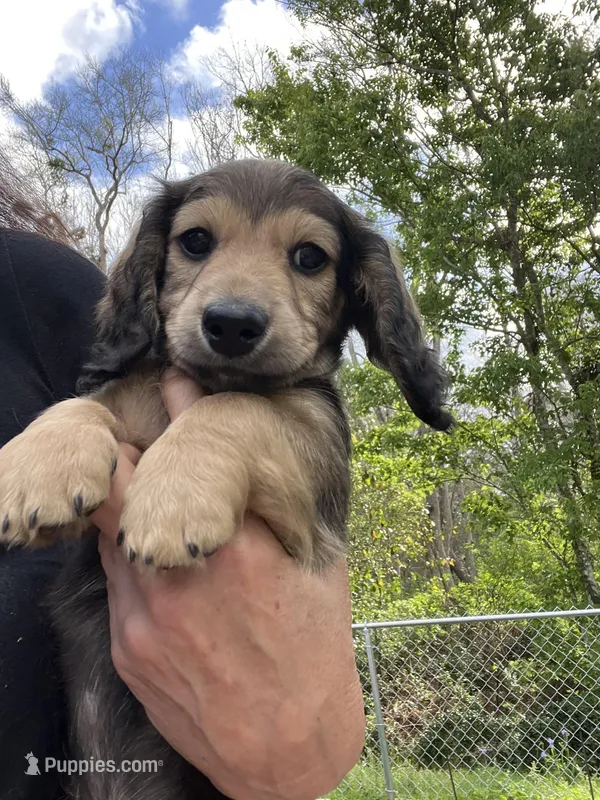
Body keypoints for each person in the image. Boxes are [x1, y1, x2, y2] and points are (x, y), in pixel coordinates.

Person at [0, 161, 365, 800]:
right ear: (157, 267)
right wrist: (74, 423)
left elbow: (303, 483)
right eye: (197, 243)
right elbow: (103, 409)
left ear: (354, 295)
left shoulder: (308, 420)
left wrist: (219, 436)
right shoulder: (130, 386)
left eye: (307, 258)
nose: (238, 301)